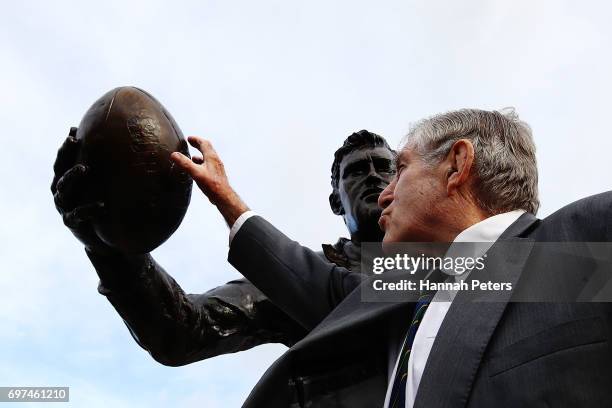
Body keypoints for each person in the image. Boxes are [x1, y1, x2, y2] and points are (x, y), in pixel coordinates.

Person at [170, 108, 612, 407]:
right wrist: (227, 200)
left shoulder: (579, 251)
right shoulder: (406, 291)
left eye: (399, 168)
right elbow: (310, 280)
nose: (384, 192)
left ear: (457, 166)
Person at [51, 128, 395, 365]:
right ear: (336, 202)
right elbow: (182, 330)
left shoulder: (445, 268)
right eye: (356, 171)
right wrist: (106, 243)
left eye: (385, 168)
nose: (372, 176)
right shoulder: (299, 278)